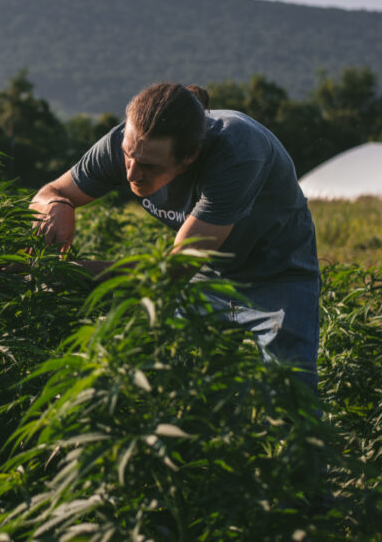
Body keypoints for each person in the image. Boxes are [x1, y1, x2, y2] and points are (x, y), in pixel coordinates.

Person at [30, 82, 320, 388]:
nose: (131, 173)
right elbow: (48, 192)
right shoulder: (128, 142)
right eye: (128, 156)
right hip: (203, 275)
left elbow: (173, 271)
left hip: (276, 274)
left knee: (290, 399)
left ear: (189, 157)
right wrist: (56, 204)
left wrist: (65, 272)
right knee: (181, 390)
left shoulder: (239, 152)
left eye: (148, 166)